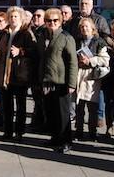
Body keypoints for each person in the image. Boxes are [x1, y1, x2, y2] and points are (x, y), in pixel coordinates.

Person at [0, 7, 36, 140]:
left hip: (19, 74)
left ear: (21, 18)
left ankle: (19, 132)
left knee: (21, 106)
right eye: (11, 17)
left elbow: (33, 51)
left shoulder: (26, 33)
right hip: (5, 75)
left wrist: (21, 51)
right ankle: (8, 131)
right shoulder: (4, 33)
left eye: (16, 17)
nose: (13, 19)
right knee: (7, 105)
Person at [36, 8, 77, 153]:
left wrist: (72, 83)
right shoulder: (42, 36)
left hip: (61, 81)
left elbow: (73, 61)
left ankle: (66, 141)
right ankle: (55, 138)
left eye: (55, 20)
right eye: (48, 20)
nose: (51, 23)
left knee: (63, 113)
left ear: (60, 21)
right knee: (51, 111)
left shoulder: (66, 37)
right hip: (46, 80)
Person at [73, 18, 110, 142]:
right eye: (82, 27)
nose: (84, 29)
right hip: (78, 75)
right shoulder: (77, 41)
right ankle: (78, 132)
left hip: (91, 78)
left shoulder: (99, 42)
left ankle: (92, 133)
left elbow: (105, 59)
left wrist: (90, 61)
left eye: (87, 26)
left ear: (92, 28)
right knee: (79, 108)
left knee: (92, 108)